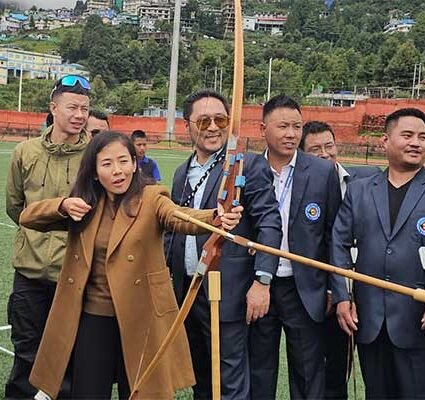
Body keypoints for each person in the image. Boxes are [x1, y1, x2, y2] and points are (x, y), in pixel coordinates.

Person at [19, 132, 244, 399]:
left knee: (139, 392)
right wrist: (63, 206)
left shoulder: (152, 198)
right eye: (107, 164)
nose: (118, 171)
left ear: (135, 164)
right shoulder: (85, 203)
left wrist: (215, 217)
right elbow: (28, 218)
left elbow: (180, 217)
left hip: (141, 317)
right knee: (88, 392)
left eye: (124, 161)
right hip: (94, 317)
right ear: (93, 172)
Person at [332, 108, 425, 399]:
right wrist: (344, 297)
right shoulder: (358, 191)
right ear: (385, 140)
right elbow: (339, 244)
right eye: (407, 135)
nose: (416, 142)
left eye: (423, 137)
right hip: (369, 321)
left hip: (422, 321)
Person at [166, 89, 282, 400]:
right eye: (203, 121)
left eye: (220, 119)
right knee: (201, 377)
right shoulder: (181, 173)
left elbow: (270, 225)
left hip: (227, 291)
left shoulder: (246, 166)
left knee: (230, 379)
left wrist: (262, 281)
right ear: (187, 125)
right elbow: (173, 229)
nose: (214, 127)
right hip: (188, 292)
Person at [249, 95, 341, 400]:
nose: (291, 134)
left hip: (305, 288)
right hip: (257, 287)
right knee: (259, 370)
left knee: (307, 370)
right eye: (283, 126)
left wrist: (333, 288)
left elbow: (332, 235)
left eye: (296, 127)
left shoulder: (321, 172)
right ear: (263, 128)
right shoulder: (246, 168)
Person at [5, 75, 91, 399]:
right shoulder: (25, 152)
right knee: (26, 356)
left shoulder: (95, 156)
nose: (79, 115)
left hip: (74, 275)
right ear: (53, 108)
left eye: (85, 108)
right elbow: (15, 207)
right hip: (29, 273)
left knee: (70, 360)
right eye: (72, 107)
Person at [299, 120, 381, 399]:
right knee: (332, 371)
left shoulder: (369, 181)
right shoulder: (303, 193)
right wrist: (334, 288)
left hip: (371, 290)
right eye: (315, 150)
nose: (324, 154)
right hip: (331, 295)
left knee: (379, 369)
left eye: (329, 146)